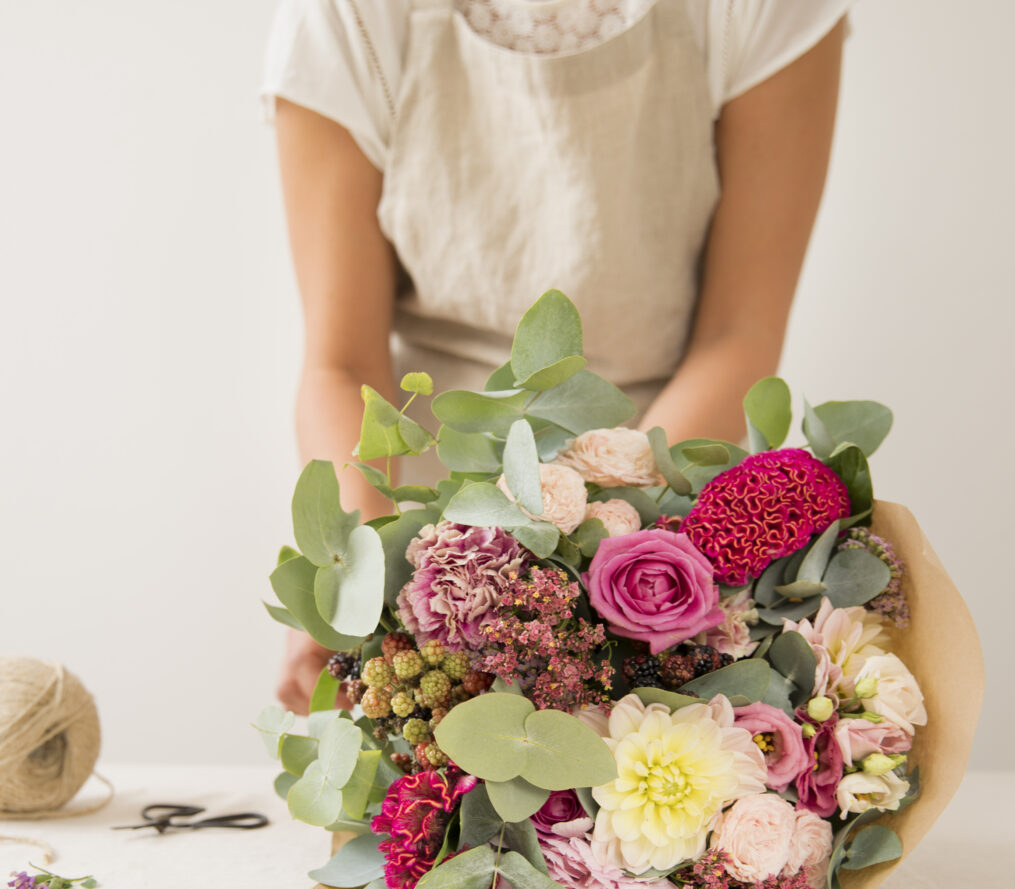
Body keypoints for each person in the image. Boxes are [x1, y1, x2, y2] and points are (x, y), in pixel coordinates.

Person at [260, 0, 851, 713]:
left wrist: (599, 565)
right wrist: (355, 580)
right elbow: (342, 363)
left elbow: (738, 333)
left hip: (663, 514)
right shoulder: (347, 15)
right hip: (425, 533)